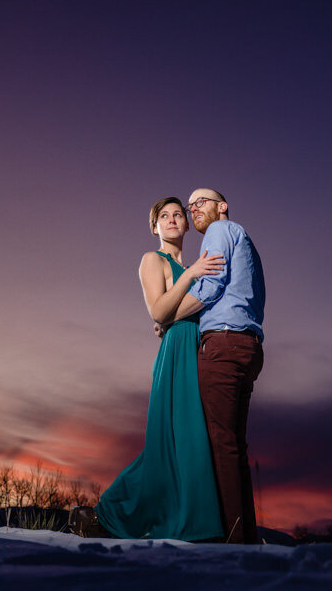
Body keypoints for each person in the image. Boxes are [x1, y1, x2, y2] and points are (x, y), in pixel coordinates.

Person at [70, 197, 226, 540]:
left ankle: (195, 522)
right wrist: (192, 275)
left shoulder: (195, 261)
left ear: (186, 225)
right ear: (155, 227)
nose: (172, 220)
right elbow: (158, 311)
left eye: (177, 215)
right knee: (166, 444)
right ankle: (106, 515)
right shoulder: (152, 260)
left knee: (191, 441)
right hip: (175, 353)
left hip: (195, 348)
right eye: (164, 216)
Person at [165, 188, 265, 544]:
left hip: (223, 344)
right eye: (190, 206)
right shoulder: (246, 242)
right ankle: (246, 538)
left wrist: (169, 316)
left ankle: (230, 542)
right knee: (234, 446)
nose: (193, 210)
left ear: (222, 206)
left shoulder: (221, 232)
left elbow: (210, 286)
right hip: (249, 347)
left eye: (200, 202)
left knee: (219, 445)